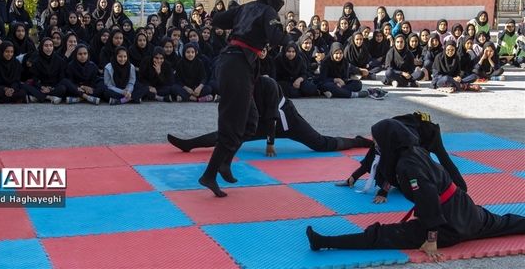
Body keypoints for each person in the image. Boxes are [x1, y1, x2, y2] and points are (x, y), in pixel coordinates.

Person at [306, 118, 525, 261]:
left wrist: (431, 239)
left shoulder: (407, 165)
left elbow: (427, 196)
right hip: (466, 211)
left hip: (447, 225)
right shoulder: (413, 151)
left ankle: (325, 242)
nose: (376, 145)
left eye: (378, 141)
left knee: (381, 236)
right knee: (505, 223)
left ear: (390, 142)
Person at [198, 0, 290, 198]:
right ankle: (209, 174)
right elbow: (278, 38)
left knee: (250, 121)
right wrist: (282, 29)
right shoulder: (268, 11)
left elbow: (218, 19)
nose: (283, 2)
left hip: (233, 64)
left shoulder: (246, 8)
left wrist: (236, 14)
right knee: (232, 124)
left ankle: (225, 163)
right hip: (236, 66)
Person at [168, 76, 372, 155]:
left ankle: (359, 141)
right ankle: (189, 145)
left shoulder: (268, 83)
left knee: (320, 144)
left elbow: (273, 114)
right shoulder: (242, 85)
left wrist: (270, 143)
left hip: (286, 120)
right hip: (262, 122)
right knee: (227, 134)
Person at [337, 112, 467, 197]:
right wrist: (353, 177)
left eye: (375, 139)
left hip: (427, 133)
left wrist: (384, 191)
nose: (374, 142)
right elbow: (371, 159)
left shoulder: (406, 148)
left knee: (441, 160)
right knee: (393, 169)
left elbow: (393, 162)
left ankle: (461, 187)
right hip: (407, 130)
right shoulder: (385, 135)